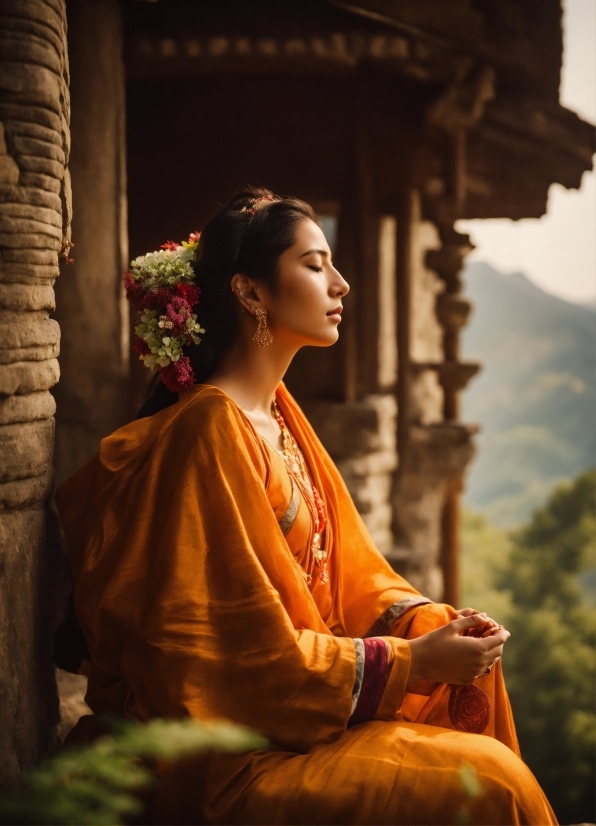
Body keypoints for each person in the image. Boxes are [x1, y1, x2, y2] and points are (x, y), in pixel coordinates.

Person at [56, 189, 556, 825]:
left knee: (481, 737)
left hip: (300, 718)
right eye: (315, 264)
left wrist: (434, 629)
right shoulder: (209, 427)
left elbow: (354, 581)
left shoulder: (280, 417)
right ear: (251, 292)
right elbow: (226, 658)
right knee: (493, 785)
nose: (342, 285)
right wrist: (412, 663)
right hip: (232, 752)